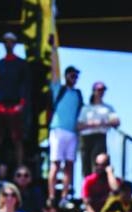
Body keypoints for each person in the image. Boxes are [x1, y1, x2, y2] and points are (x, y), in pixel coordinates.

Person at [48, 34, 84, 203]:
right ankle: (51, 196)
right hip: (58, 130)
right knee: (55, 164)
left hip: (72, 133)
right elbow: (54, 70)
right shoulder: (58, 89)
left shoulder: (78, 94)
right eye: (71, 75)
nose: (74, 78)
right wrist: (54, 49)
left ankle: (64, 197)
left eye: (76, 76)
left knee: (69, 165)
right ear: (66, 76)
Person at [0, 32, 29, 166]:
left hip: (14, 105)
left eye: (11, 41)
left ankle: (19, 167)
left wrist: (21, 103)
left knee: (17, 138)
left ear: (15, 44)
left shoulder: (21, 64)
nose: (8, 44)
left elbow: (24, 84)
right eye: (6, 41)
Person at [77, 81, 120, 177]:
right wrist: (91, 124)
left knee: (98, 163)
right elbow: (79, 125)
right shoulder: (86, 108)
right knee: (86, 165)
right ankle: (87, 187)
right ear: (94, 91)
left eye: (103, 90)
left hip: (100, 137)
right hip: (86, 138)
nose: (101, 92)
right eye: (99, 90)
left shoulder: (108, 108)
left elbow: (116, 122)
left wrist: (102, 123)